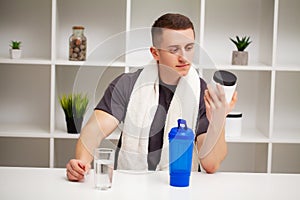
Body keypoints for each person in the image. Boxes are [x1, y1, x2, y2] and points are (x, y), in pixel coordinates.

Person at [66, 13, 237, 181]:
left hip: (178, 186)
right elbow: (93, 132)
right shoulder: (127, 84)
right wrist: (81, 162)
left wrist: (219, 119)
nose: (184, 57)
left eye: (189, 47)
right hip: (130, 186)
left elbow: (211, 164)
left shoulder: (201, 92)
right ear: (155, 53)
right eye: (174, 49)